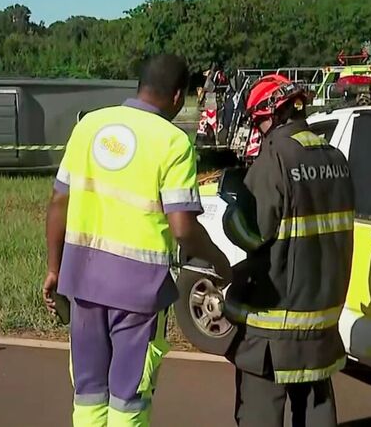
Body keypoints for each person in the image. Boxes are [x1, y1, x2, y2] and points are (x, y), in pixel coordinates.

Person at [43, 54, 233, 427]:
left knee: (88, 394)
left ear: (139, 85)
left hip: (81, 283)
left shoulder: (89, 126)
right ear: (179, 97)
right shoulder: (173, 143)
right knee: (128, 399)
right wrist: (218, 261)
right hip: (139, 294)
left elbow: (58, 202)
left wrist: (54, 269)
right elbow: (183, 228)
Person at [216, 74, 355, 427]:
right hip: (322, 321)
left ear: (273, 113)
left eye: (258, 119)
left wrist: (234, 212)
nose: (258, 128)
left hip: (274, 327)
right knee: (316, 411)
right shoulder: (336, 158)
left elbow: (254, 234)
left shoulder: (276, 159)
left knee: (260, 412)